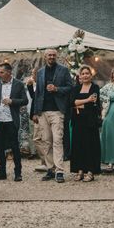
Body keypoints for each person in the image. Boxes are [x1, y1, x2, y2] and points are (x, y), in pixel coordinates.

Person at [32, 48, 73, 183]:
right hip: (43, 112)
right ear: (45, 57)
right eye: (49, 55)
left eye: (53, 55)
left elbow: (70, 88)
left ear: (56, 56)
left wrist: (56, 89)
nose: (51, 57)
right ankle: (50, 169)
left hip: (57, 111)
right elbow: (37, 93)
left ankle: (59, 171)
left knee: (57, 140)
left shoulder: (64, 70)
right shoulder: (40, 72)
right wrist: (35, 112)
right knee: (46, 141)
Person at [0, 63, 28, 182]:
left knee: (14, 147)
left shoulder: (19, 84)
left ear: (9, 72)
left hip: (12, 120)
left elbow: (25, 100)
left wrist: (12, 101)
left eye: (1, 72)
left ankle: (18, 173)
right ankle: (2, 172)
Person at [69, 65, 101, 181]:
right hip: (77, 121)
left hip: (90, 121)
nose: (85, 75)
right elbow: (72, 102)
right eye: (83, 74)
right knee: (78, 146)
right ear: (80, 76)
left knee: (90, 145)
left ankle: (91, 171)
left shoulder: (95, 87)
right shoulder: (75, 88)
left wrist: (81, 103)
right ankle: (80, 170)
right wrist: (86, 100)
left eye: (87, 73)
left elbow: (94, 102)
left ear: (91, 75)